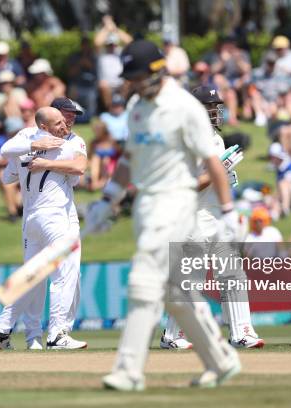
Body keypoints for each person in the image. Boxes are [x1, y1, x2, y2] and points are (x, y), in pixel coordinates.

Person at [86, 40, 241, 391]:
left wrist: (229, 211)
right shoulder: (137, 105)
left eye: (139, 77)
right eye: (131, 78)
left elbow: (213, 162)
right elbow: (128, 158)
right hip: (146, 206)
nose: (134, 84)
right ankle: (221, 360)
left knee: (143, 282)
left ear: (158, 72)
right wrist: (108, 199)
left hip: (177, 203)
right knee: (176, 293)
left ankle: (128, 371)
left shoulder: (186, 108)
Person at [161, 85, 264, 350]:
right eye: (209, 107)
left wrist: (225, 175)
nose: (215, 112)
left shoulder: (214, 139)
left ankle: (242, 332)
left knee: (232, 274)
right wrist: (221, 169)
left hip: (215, 215)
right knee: (191, 278)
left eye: (216, 107)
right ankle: (173, 335)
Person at [0, 107, 88, 351]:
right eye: (60, 121)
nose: (65, 126)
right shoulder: (65, 145)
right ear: (45, 125)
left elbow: (7, 175)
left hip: (30, 219)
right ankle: (57, 334)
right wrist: (47, 159)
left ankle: (2, 329)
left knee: (31, 276)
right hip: (53, 216)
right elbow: (78, 171)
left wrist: (34, 155)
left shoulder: (25, 140)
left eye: (66, 122)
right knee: (65, 272)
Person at [203, 35, 251, 125]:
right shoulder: (218, 55)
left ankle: (231, 118)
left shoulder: (242, 54)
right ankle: (224, 118)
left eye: (232, 44)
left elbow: (247, 70)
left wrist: (238, 60)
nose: (230, 46)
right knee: (227, 91)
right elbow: (213, 70)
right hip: (221, 85)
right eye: (227, 44)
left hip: (237, 83)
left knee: (229, 92)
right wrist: (222, 60)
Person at [94, 15, 132, 109]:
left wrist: (115, 29)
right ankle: (110, 109)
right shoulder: (101, 53)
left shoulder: (120, 51)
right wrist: (107, 28)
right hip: (107, 84)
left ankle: (121, 108)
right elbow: (97, 42)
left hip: (120, 82)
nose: (112, 46)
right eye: (109, 45)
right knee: (103, 85)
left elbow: (130, 42)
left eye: (113, 44)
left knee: (128, 81)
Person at [67, 36, 98, 120]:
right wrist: (80, 64)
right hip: (77, 85)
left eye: (87, 45)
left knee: (91, 96)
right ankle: (73, 117)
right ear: (81, 46)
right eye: (84, 45)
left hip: (90, 86)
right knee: (72, 91)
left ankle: (90, 118)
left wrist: (88, 64)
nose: (85, 47)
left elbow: (97, 73)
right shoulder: (75, 57)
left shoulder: (94, 57)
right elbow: (70, 73)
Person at [88, 120, 118, 191]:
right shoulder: (94, 143)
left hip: (111, 168)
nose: (96, 132)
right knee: (96, 158)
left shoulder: (112, 141)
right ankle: (95, 182)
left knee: (105, 159)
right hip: (97, 167)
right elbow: (89, 157)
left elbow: (118, 156)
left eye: (98, 130)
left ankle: (97, 184)